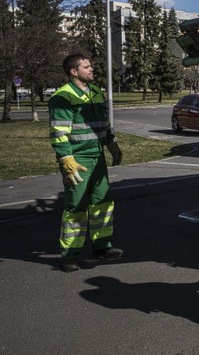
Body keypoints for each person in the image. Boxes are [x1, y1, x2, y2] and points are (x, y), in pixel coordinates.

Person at [48, 54, 124, 273]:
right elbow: (59, 133)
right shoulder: (63, 97)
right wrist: (66, 159)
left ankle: (102, 247)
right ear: (74, 71)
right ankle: (70, 255)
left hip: (97, 157)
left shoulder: (96, 93)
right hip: (77, 160)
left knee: (102, 202)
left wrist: (113, 147)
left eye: (90, 65)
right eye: (86, 66)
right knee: (76, 207)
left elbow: (103, 126)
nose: (92, 69)